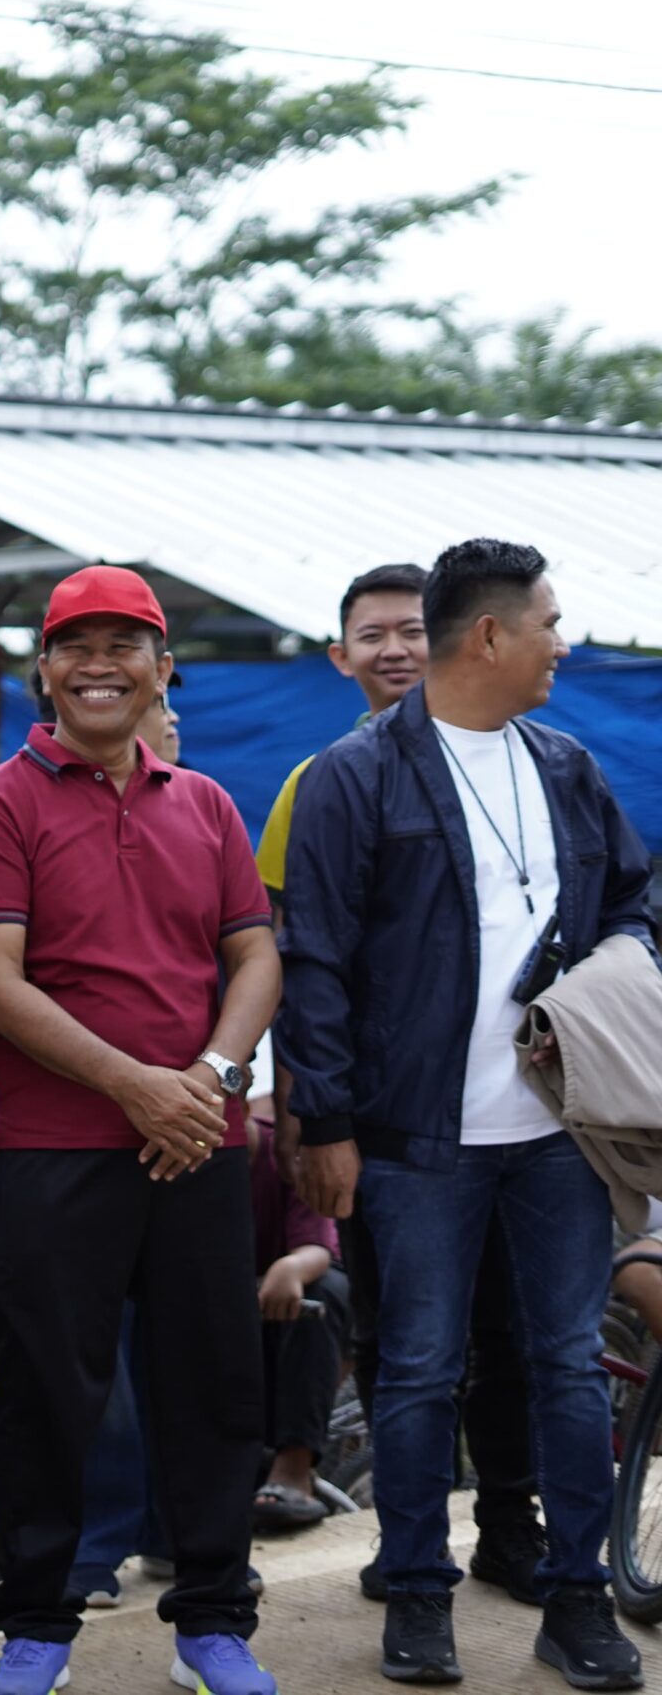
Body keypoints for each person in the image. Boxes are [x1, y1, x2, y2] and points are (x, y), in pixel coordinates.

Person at [279, 538, 655, 1690]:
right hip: (414, 1141)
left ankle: (576, 1596)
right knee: (416, 1371)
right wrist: (326, 1122)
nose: (562, 643)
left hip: (556, 1134)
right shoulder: (356, 776)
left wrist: (604, 978)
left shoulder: (565, 763)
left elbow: (632, 897)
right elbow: (314, 960)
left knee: (566, 1366)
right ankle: (415, 1594)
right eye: (548, 621)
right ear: (489, 635)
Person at [0, 566, 281, 1695]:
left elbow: (254, 955)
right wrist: (140, 1087)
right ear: (43, 669)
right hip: (55, 1148)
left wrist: (209, 1078)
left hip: (198, 1143)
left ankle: (213, 1621)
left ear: (161, 668)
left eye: (123, 645)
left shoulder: (206, 803)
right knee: (48, 1389)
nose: (99, 665)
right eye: (74, 646)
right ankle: (37, 1623)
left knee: (214, 1385)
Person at [258, 561, 546, 1604]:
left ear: (456, 637)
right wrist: (305, 1109)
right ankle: (408, 1540)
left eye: (410, 630)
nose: (393, 649)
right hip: (383, 1122)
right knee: (395, 1337)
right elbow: (293, 954)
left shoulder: (525, 762)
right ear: (340, 658)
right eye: (370, 635)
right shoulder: (318, 782)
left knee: (513, 1331)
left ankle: (509, 1526)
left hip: (517, 1117)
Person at [246, 1117, 348, 1532]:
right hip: (218, 1320)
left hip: (284, 1315)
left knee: (323, 1290)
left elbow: (317, 1247)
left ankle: (294, 1467)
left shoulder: (283, 1152)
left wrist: (290, 1268)